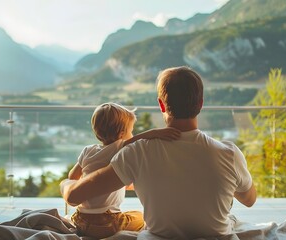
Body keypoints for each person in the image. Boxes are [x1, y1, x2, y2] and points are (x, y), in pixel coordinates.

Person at [60, 66, 257, 239]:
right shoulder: (229, 153)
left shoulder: (137, 152)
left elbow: (74, 197)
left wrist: (66, 183)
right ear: (200, 104)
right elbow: (249, 200)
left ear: (161, 104)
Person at [65, 102, 181, 239]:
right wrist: (156, 132)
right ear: (121, 134)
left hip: (80, 219)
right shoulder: (119, 148)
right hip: (106, 222)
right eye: (131, 130)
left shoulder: (87, 150)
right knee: (142, 218)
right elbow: (139, 140)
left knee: (131, 215)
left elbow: (72, 176)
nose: (132, 134)